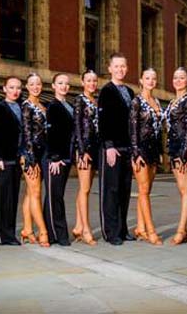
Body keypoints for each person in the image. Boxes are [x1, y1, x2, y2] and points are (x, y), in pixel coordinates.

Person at [98, 52, 135, 245]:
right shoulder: (106, 91)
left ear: (126, 69)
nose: (120, 69)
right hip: (111, 149)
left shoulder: (129, 92)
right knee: (110, 190)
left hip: (127, 148)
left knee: (124, 190)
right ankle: (110, 232)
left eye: (123, 66)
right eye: (117, 66)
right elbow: (103, 122)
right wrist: (109, 146)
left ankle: (122, 229)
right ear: (110, 68)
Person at [165, 67, 187, 245]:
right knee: (184, 189)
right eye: (176, 77)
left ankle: (181, 230)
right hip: (174, 148)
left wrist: (184, 153)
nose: (178, 80)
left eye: (182, 78)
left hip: (184, 150)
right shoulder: (172, 101)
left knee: (185, 189)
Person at [130, 68, 164, 245]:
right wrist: (135, 153)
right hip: (141, 151)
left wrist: (160, 153)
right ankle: (151, 231)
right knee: (143, 191)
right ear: (141, 80)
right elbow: (133, 129)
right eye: (147, 78)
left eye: (153, 78)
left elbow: (159, 131)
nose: (151, 81)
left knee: (146, 191)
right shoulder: (136, 102)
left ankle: (140, 228)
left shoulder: (157, 101)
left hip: (153, 151)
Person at [0, 76, 23, 246]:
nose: (15, 91)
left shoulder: (20, 106)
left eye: (18, 87)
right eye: (11, 87)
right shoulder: (0, 108)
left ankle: (9, 234)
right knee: (2, 198)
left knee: (12, 198)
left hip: (16, 159)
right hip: (2, 160)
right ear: (4, 89)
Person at [43, 74, 74, 246]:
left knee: (56, 195)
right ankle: (56, 233)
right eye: (60, 83)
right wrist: (54, 157)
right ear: (53, 86)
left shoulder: (68, 105)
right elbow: (52, 133)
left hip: (66, 158)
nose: (64, 86)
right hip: (54, 158)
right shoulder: (53, 106)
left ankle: (51, 231)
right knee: (54, 196)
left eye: (66, 84)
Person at [21, 73, 50, 247]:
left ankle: (26, 229)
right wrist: (31, 160)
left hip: (43, 153)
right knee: (36, 193)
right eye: (32, 84)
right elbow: (26, 134)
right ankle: (43, 231)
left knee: (30, 193)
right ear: (27, 86)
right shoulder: (26, 106)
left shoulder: (43, 106)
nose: (35, 87)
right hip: (30, 154)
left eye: (38, 84)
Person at [72, 70, 100, 246]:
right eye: (88, 81)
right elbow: (77, 127)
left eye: (94, 81)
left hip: (95, 148)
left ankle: (77, 225)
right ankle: (86, 229)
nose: (92, 84)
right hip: (84, 150)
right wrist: (82, 151)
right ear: (82, 82)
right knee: (85, 188)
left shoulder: (96, 101)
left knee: (86, 189)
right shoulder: (79, 101)